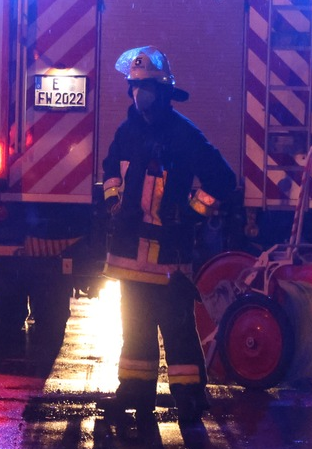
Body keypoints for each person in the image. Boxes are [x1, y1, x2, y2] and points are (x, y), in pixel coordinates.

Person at [99, 46, 236, 426]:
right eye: (133, 86)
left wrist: (193, 213)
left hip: (169, 257)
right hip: (129, 257)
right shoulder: (126, 132)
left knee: (178, 331)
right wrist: (114, 203)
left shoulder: (185, 136)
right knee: (136, 331)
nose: (137, 94)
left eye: (145, 87)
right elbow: (111, 171)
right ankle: (134, 394)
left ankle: (190, 398)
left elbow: (223, 182)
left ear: (163, 91)